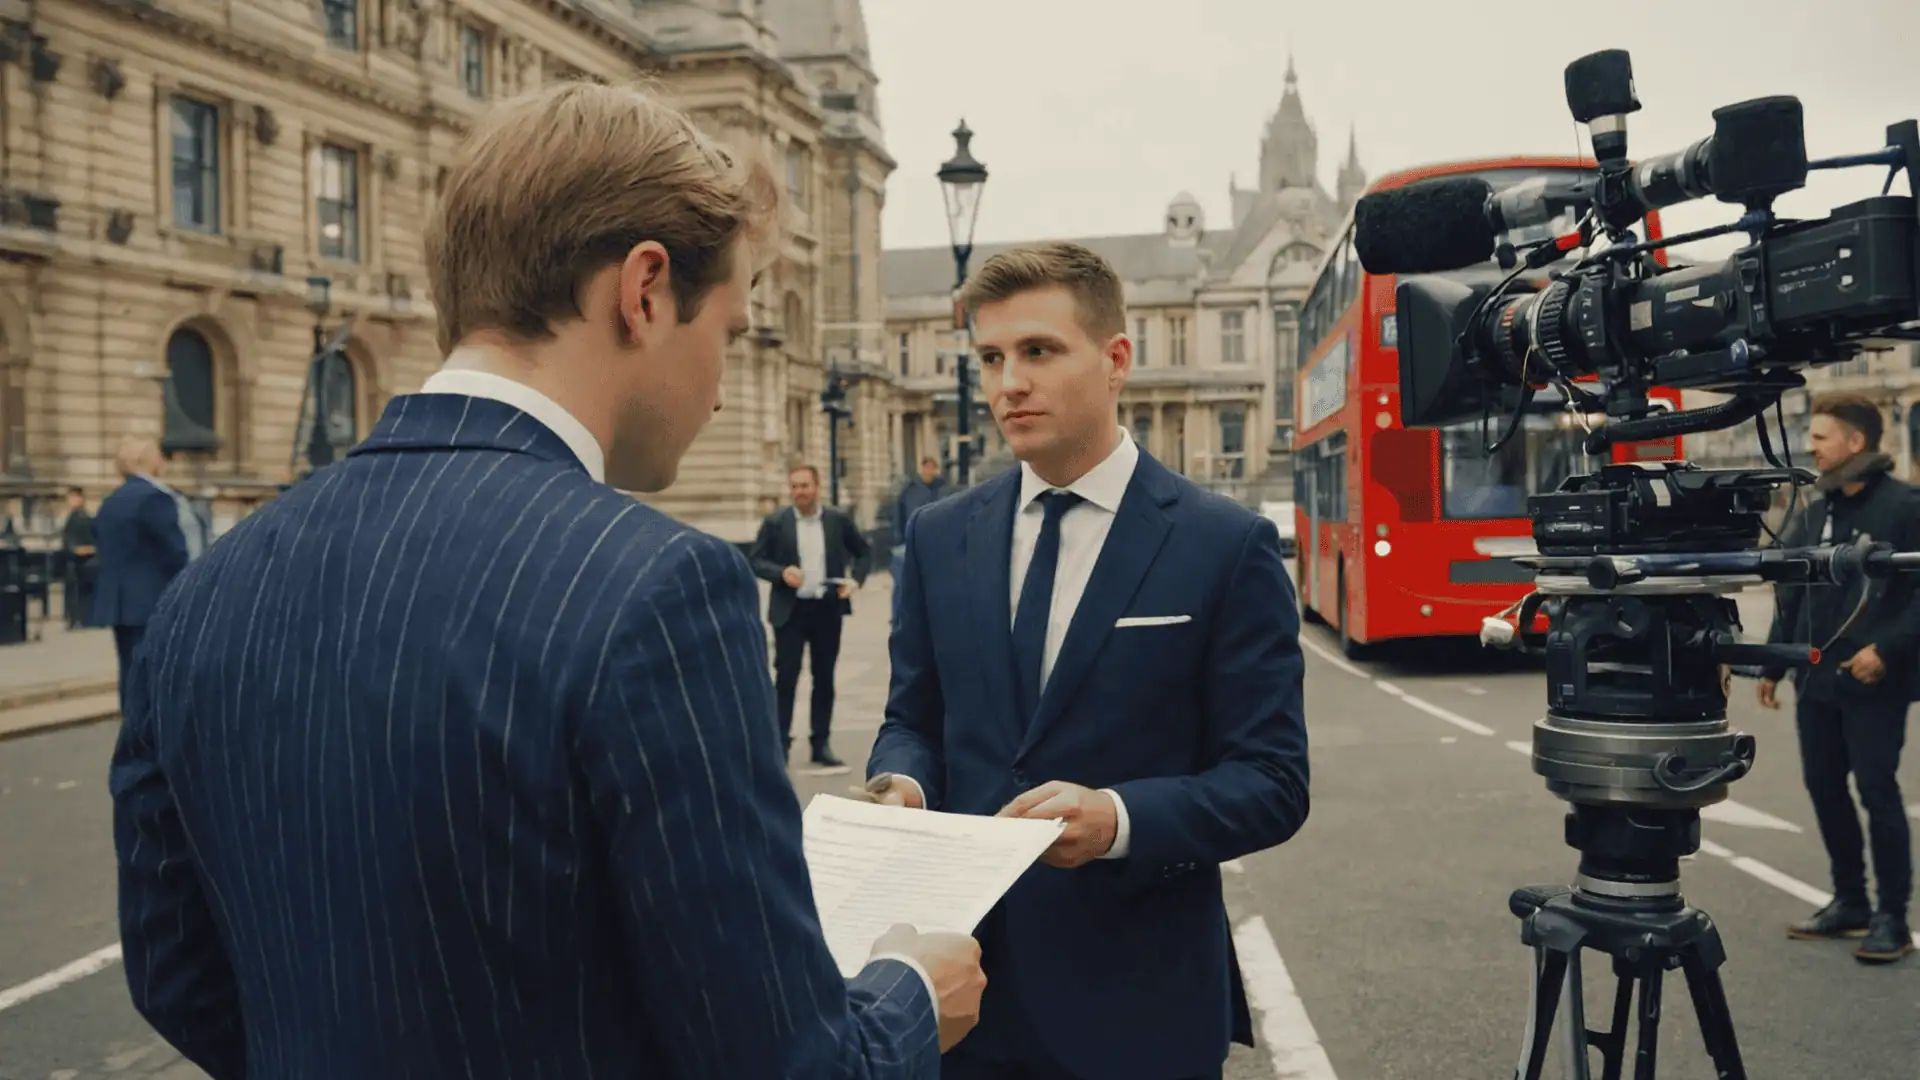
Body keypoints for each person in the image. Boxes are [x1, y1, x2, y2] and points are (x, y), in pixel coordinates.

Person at [107, 81, 984, 1080]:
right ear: (645, 290)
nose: (721, 386)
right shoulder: (661, 589)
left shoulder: (209, 588)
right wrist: (911, 991)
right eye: (731, 334)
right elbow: (792, 1067)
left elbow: (176, 975)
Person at [865, 241, 1311, 1079]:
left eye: (1038, 351)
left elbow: (1273, 782)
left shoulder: (1224, 544)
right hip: (963, 997)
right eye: (991, 357)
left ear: (1115, 362)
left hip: (1138, 1007)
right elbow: (912, 719)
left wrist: (1119, 818)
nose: (1008, 383)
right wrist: (905, 782)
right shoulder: (938, 537)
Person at [1759, 392, 1917, 964]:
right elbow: (1792, 589)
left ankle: (1892, 919)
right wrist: (1775, 663)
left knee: (1877, 791)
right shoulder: (1815, 510)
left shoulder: (1905, 506)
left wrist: (1889, 649)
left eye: (1822, 437)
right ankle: (1849, 902)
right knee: (1825, 789)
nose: (1812, 448)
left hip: (1875, 679)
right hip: (1816, 681)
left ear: (1855, 443)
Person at [750, 463, 871, 773]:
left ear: (817, 488)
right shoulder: (776, 522)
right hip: (790, 611)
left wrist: (855, 580)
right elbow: (756, 560)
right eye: (794, 486)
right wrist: (781, 573)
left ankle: (821, 744)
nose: (799, 492)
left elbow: (864, 552)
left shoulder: (837, 521)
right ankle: (780, 745)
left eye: (804, 486)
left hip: (826, 608)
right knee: (786, 679)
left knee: (824, 678)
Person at [86, 436, 191, 714]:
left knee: (130, 671)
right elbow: (175, 552)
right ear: (149, 462)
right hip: (152, 599)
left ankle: (132, 734)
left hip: (119, 602)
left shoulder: (110, 501)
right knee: (156, 672)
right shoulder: (155, 498)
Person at [890, 456, 947, 625]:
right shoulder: (910, 489)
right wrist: (899, 537)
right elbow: (900, 513)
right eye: (926, 468)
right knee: (902, 582)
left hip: (936, 544)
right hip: (909, 541)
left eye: (932, 468)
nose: (929, 472)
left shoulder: (942, 488)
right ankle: (898, 617)